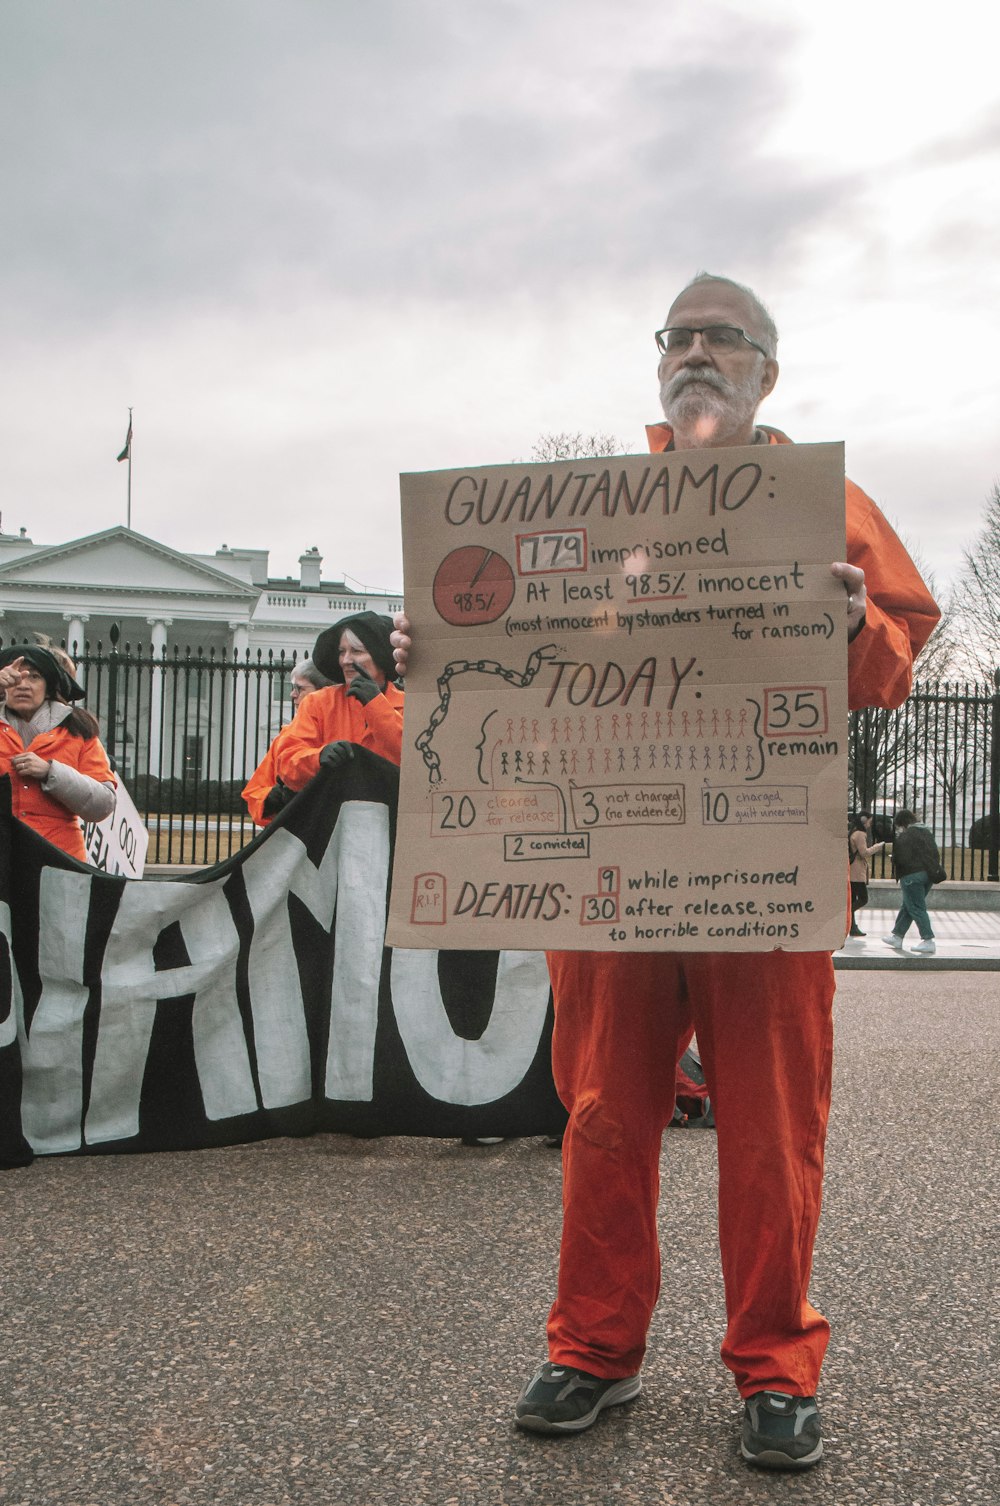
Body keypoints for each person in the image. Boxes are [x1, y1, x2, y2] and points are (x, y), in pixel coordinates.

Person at [391, 273, 939, 1469]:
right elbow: (527, 657)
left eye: (721, 338)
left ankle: (776, 1365)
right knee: (600, 1116)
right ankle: (592, 1348)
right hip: (610, 866)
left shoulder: (831, 505)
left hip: (759, 875)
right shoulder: (592, 509)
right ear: (659, 363)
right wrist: (439, 646)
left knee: (770, 1130)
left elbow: (892, 673)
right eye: (678, 338)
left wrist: (854, 628)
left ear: (767, 371)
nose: (695, 353)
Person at [0, 645, 116, 862]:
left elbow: (103, 804)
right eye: (14, 676)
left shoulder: (79, 731)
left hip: (60, 862)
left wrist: (51, 772)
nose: (22, 684)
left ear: (49, 686)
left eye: (34, 677)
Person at [275, 612, 404, 791]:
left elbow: (415, 760)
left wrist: (376, 704)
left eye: (356, 651)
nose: (346, 660)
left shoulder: (409, 705)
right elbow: (287, 763)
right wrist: (318, 758)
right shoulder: (318, 703)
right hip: (333, 816)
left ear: (380, 657)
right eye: (342, 652)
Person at [241, 657, 334, 825]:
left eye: (299, 688)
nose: (292, 694)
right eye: (293, 688)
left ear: (324, 691)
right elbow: (254, 794)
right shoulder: (284, 738)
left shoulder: (343, 728)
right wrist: (273, 798)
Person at [883, 809, 941, 955]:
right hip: (928, 874)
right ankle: (897, 936)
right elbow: (934, 853)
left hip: (911, 875)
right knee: (908, 905)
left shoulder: (906, 835)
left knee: (915, 907)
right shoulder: (927, 833)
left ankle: (928, 940)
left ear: (903, 823)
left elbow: (901, 857)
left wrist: (893, 858)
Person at [847, 811, 885, 936]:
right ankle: (846, 917)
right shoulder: (860, 834)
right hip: (856, 872)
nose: (870, 824)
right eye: (869, 821)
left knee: (853, 899)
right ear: (864, 820)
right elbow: (864, 853)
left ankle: (852, 926)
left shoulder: (854, 832)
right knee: (863, 899)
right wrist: (877, 847)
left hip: (852, 870)